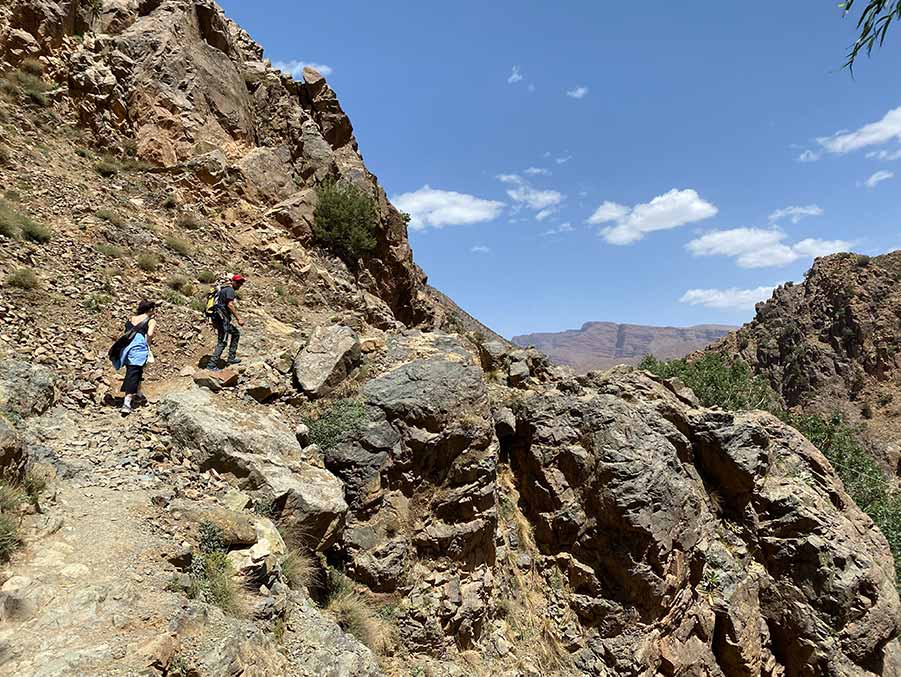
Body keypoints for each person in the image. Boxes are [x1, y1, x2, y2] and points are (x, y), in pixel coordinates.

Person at [119, 300, 157, 415]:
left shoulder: (131, 319)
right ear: (150, 310)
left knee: (136, 370)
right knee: (133, 374)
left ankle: (139, 393)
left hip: (126, 348)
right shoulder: (151, 321)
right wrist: (148, 345)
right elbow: (150, 334)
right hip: (139, 349)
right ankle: (126, 403)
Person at [209, 273, 246, 369]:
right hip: (222, 320)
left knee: (235, 333)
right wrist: (239, 318)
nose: (239, 285)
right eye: (238, 282)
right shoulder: (230, 290)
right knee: (222, 342)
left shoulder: (224, 289)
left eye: (241, 283)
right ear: (232, 281)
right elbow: (230, 305)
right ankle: (211, 366)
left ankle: (231, 358)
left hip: (219, 318)